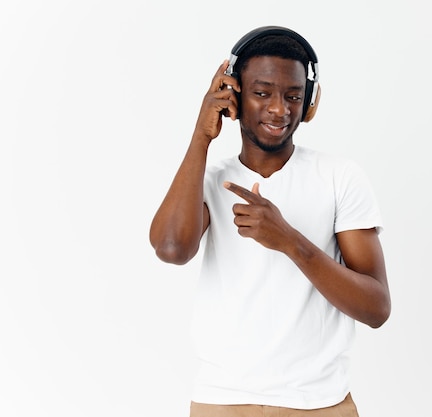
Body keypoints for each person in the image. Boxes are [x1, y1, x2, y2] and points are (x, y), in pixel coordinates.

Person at [149, 26, 391, 417]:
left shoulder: (339, 177)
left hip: (319, 404)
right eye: (262, 93)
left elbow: (376, 308)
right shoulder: (208, 179)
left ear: (308, 103)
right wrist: (200, 136)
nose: (280, 109)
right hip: (222, 401)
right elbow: (172, 249)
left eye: (293, 96)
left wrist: (289, 241)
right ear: (234, 97)